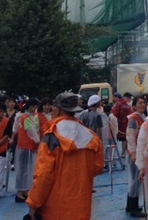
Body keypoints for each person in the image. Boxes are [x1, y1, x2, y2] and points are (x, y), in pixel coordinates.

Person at [26, 92, 104, 220]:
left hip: (54, 208)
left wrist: (34, 203)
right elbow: (98, 167)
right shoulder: (91, 137)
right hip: (80, 207)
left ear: (58, 109)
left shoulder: (51, 136)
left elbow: (44, 174)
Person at [14, 98, 41, 203]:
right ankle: (20, 192)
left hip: (23, 147)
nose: (35, 109)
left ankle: (24, 190)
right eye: (34, 106)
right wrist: (39, 143)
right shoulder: (26, 118)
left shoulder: (23, 117)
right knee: (24, 171)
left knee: (24, 170)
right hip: (26, 148)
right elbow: (33, 133)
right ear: (31, 107)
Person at [126, 95, 148, 217]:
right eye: (139, 103)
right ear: (134, 106)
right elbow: (130, 136)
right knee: (136, 180)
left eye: (144, 102)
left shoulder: (141, 117)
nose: (142, 105)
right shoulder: (134, 118)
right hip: (134, 154)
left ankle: (130, 205)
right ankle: (134, 208)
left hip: (138, 152)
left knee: (134, 180)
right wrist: (133, 153)